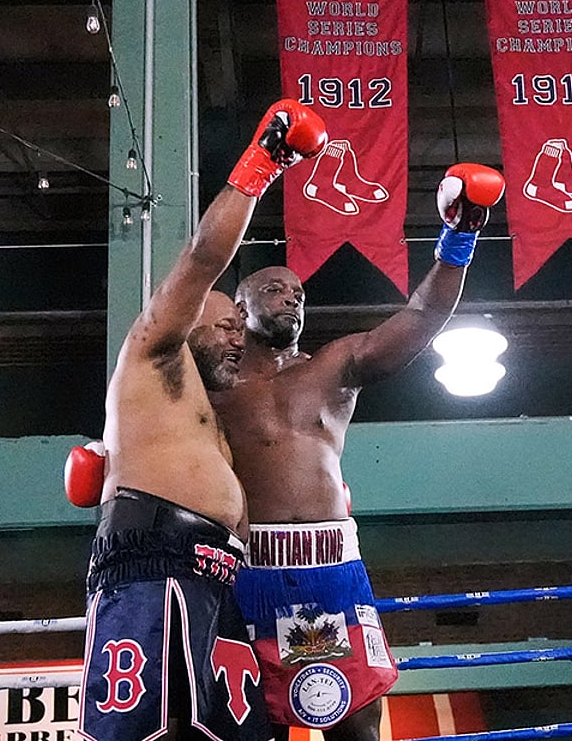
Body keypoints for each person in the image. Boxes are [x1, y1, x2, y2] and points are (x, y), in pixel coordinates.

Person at [210, 164, 505, 741]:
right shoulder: (213, 379)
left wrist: (460, 235)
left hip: (329, 565)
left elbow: (422, 317)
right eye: (274, 289)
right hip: (245, 565)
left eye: (298, 293)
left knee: (355, 721)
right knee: (249, 720)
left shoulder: (335, 366)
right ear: (238, 307)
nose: (291, 299)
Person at [74, 99, 328, 741]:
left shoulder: (208, 406)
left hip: (220, 577)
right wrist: (262, 163)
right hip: (155, 566)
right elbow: (202, 261)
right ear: (188, 326)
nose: (241, 338)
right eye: (226, 325)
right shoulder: (153, 350)